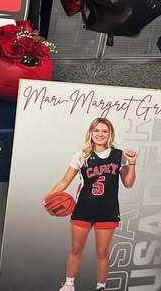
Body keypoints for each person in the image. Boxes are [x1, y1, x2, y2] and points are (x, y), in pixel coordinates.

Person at [43, 118, 137, 291]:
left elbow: (129, 183)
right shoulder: (81, 156)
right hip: (83, 209)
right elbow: (65, 181)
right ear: (91, 133)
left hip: (108, 211)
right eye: (97, 130)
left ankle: (100, 287)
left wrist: (131, 163)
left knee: (102, 253)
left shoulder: (119, 155)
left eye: (104, 131)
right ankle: (69, 284)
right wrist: (49, 196)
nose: (100, 134)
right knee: (76, 249)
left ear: (110, 134)